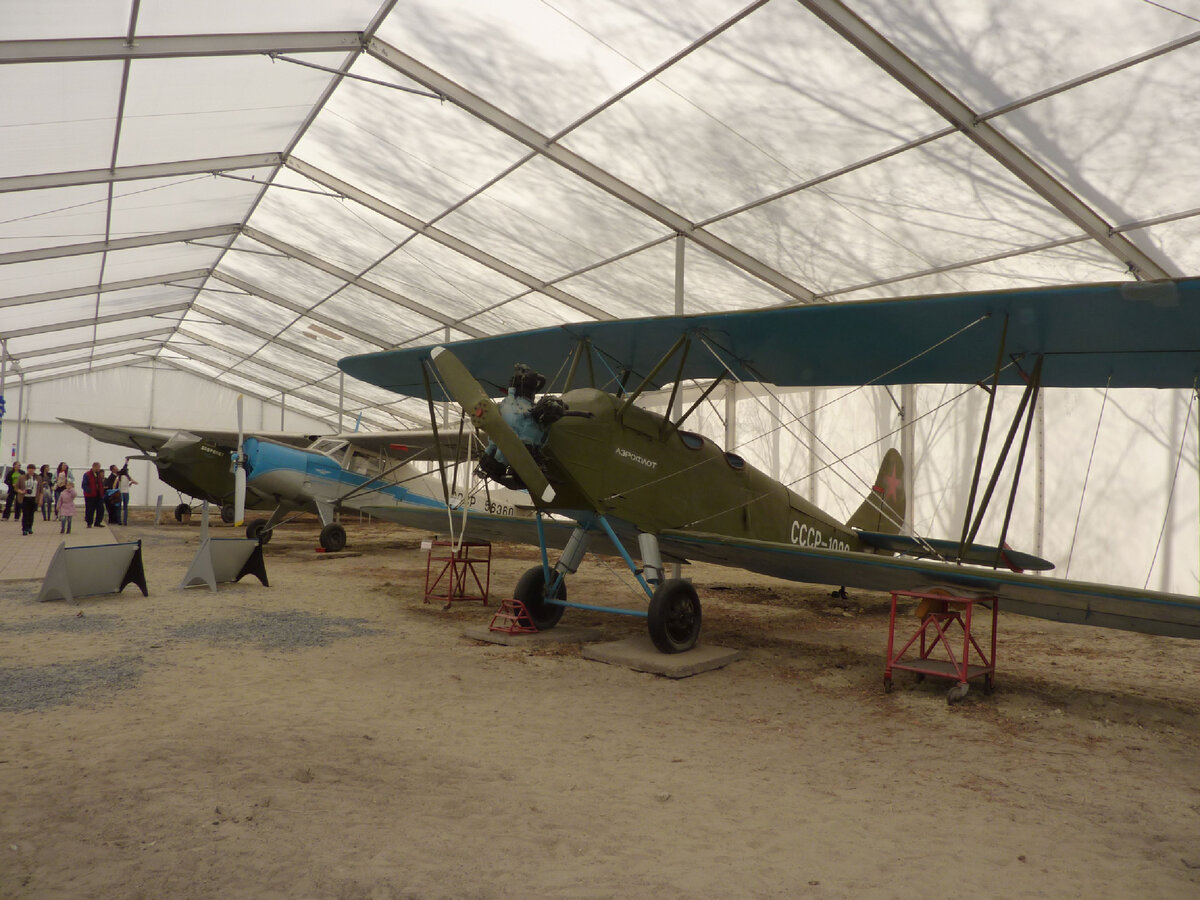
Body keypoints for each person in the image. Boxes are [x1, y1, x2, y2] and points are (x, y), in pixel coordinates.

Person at [17, 463, 41, 536]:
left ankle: (30, 527)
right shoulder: (22, 477)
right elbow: (17, 487)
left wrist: (40, 499)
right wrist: (22, 491)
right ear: (27, 470)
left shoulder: (38, 478)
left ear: (34, 470)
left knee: (31, 514)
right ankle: (24, 528)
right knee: (25, 513)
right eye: (29, 469)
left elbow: (41, 490)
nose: (31, 471)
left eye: (32, 469)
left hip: (34, 498)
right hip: (25, 498)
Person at [82, 461, 105, 527]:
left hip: (98, 495)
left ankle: (97, 522)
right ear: (94, 467)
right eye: (98, 467)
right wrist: (89, 491)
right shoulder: (87, 474)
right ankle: (89, 523)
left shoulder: (98, 475)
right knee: (90, 510)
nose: (99, 469)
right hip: (90, 495)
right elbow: (84, 485)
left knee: (101, 509)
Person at [117, 460, 137, 526]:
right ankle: (125, 521)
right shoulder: (128, 477)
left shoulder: (119, 477)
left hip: (120, 492)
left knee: (119, 507)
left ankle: (119, 521)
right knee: (125, 507)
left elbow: (124, 467)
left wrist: (126, 462)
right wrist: (131, 483)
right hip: (126, 493)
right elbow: (135, 482)